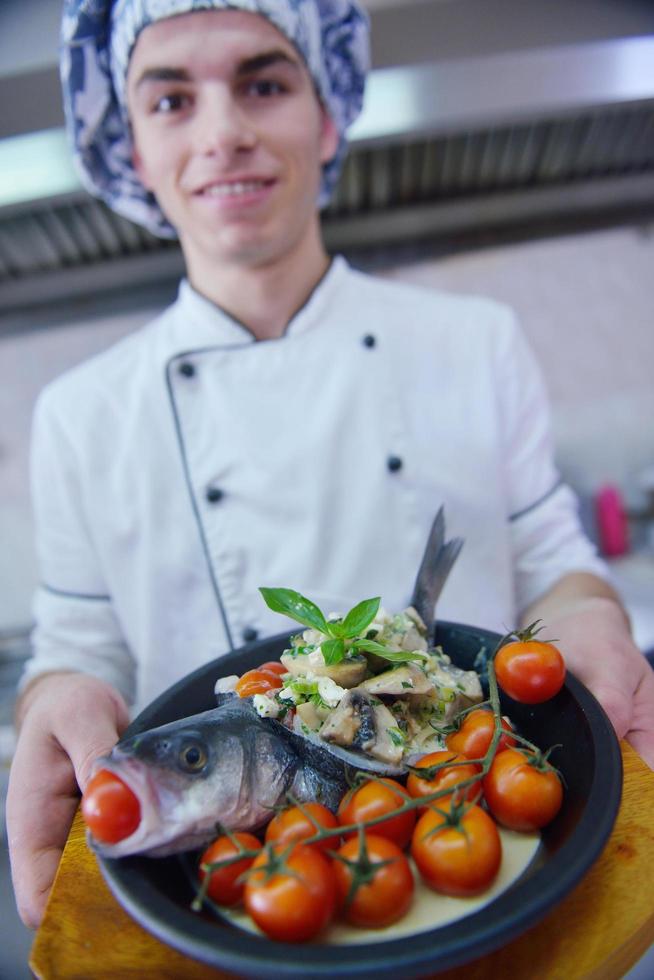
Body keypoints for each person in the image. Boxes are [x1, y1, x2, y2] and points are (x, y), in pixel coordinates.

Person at [7, 0, 654, 932]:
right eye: (171, 100)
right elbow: (77, 644)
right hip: (233, 890)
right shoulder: (78, 414)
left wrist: (590, 610)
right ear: (130, 149)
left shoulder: (475, 342)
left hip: (476, 849)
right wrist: (56, 693)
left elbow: (553, 553)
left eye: (263, 84)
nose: (224, 132)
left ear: (330, 114)